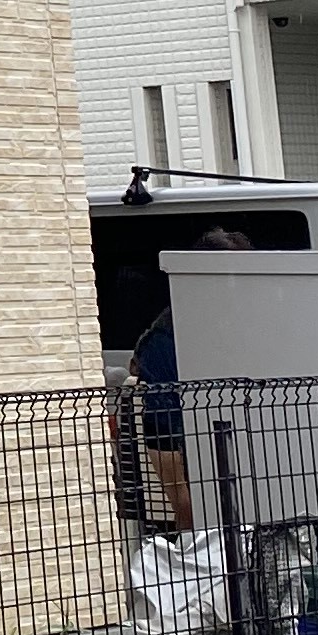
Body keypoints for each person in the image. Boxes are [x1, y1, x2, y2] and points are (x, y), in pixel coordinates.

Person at [126, 224, 255, 536]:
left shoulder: (232, 314)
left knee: (212, 511)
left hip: (208, 426)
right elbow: (159, 403)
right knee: (192, 510)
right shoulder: (170, 330)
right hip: (174, 431)